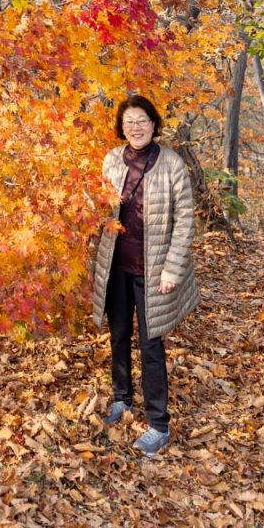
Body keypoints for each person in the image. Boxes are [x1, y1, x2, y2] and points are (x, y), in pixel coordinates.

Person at [91, 95, 199, 456]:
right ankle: (122, 398)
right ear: (121, 127)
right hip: (115, 267)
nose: (135, 127)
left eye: (141, 120)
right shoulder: (111, 159)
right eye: (129, 122)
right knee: (119, 335)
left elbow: (185, 220)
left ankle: (158, 424)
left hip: (154, 272)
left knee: (151, 345)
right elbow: (100, 211)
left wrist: (172, 267)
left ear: (153, 124)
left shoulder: (171, 163)